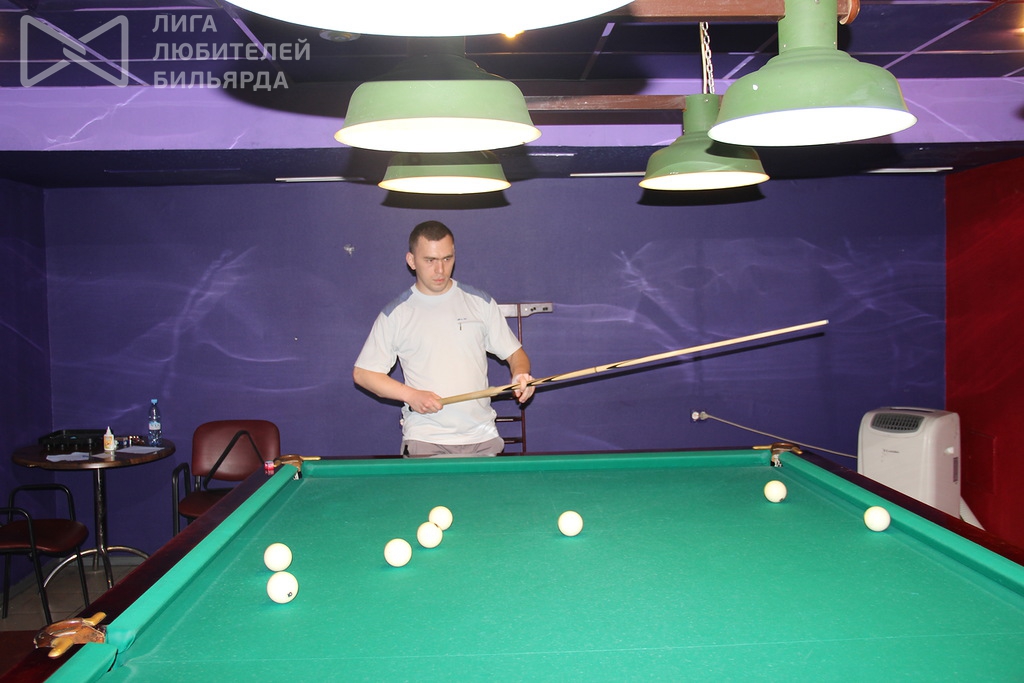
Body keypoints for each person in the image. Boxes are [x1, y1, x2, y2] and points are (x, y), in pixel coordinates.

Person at [353, 220, 534, 457]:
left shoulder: (480, 302)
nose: (440, 270)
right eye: (430, 260)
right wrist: (411, 395)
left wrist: (520, 374)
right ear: (411, 261)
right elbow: (364, 374)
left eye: (447, 259)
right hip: (425, 439)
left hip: (483, 437)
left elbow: (515, 354)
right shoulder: (396, 314)